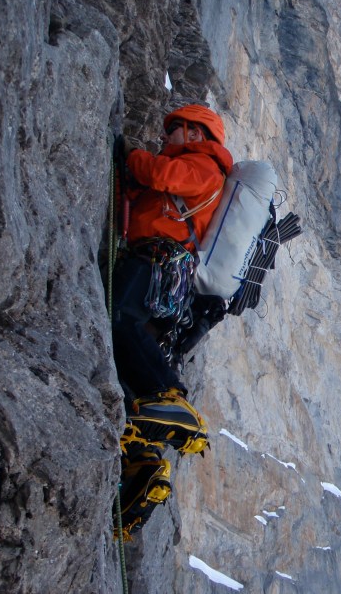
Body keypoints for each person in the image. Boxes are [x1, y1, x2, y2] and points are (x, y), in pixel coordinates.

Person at [111, 104, 234, 539]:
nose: (166, 137)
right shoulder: (198, 163)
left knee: (121, 318)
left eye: (173, 130)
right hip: (164, 270)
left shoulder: (204, 166)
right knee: (123, 357)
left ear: (195, 133)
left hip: (160, 261)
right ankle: (143, 466)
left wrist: (134, 158)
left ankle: (171, 399)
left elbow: (163, 177)